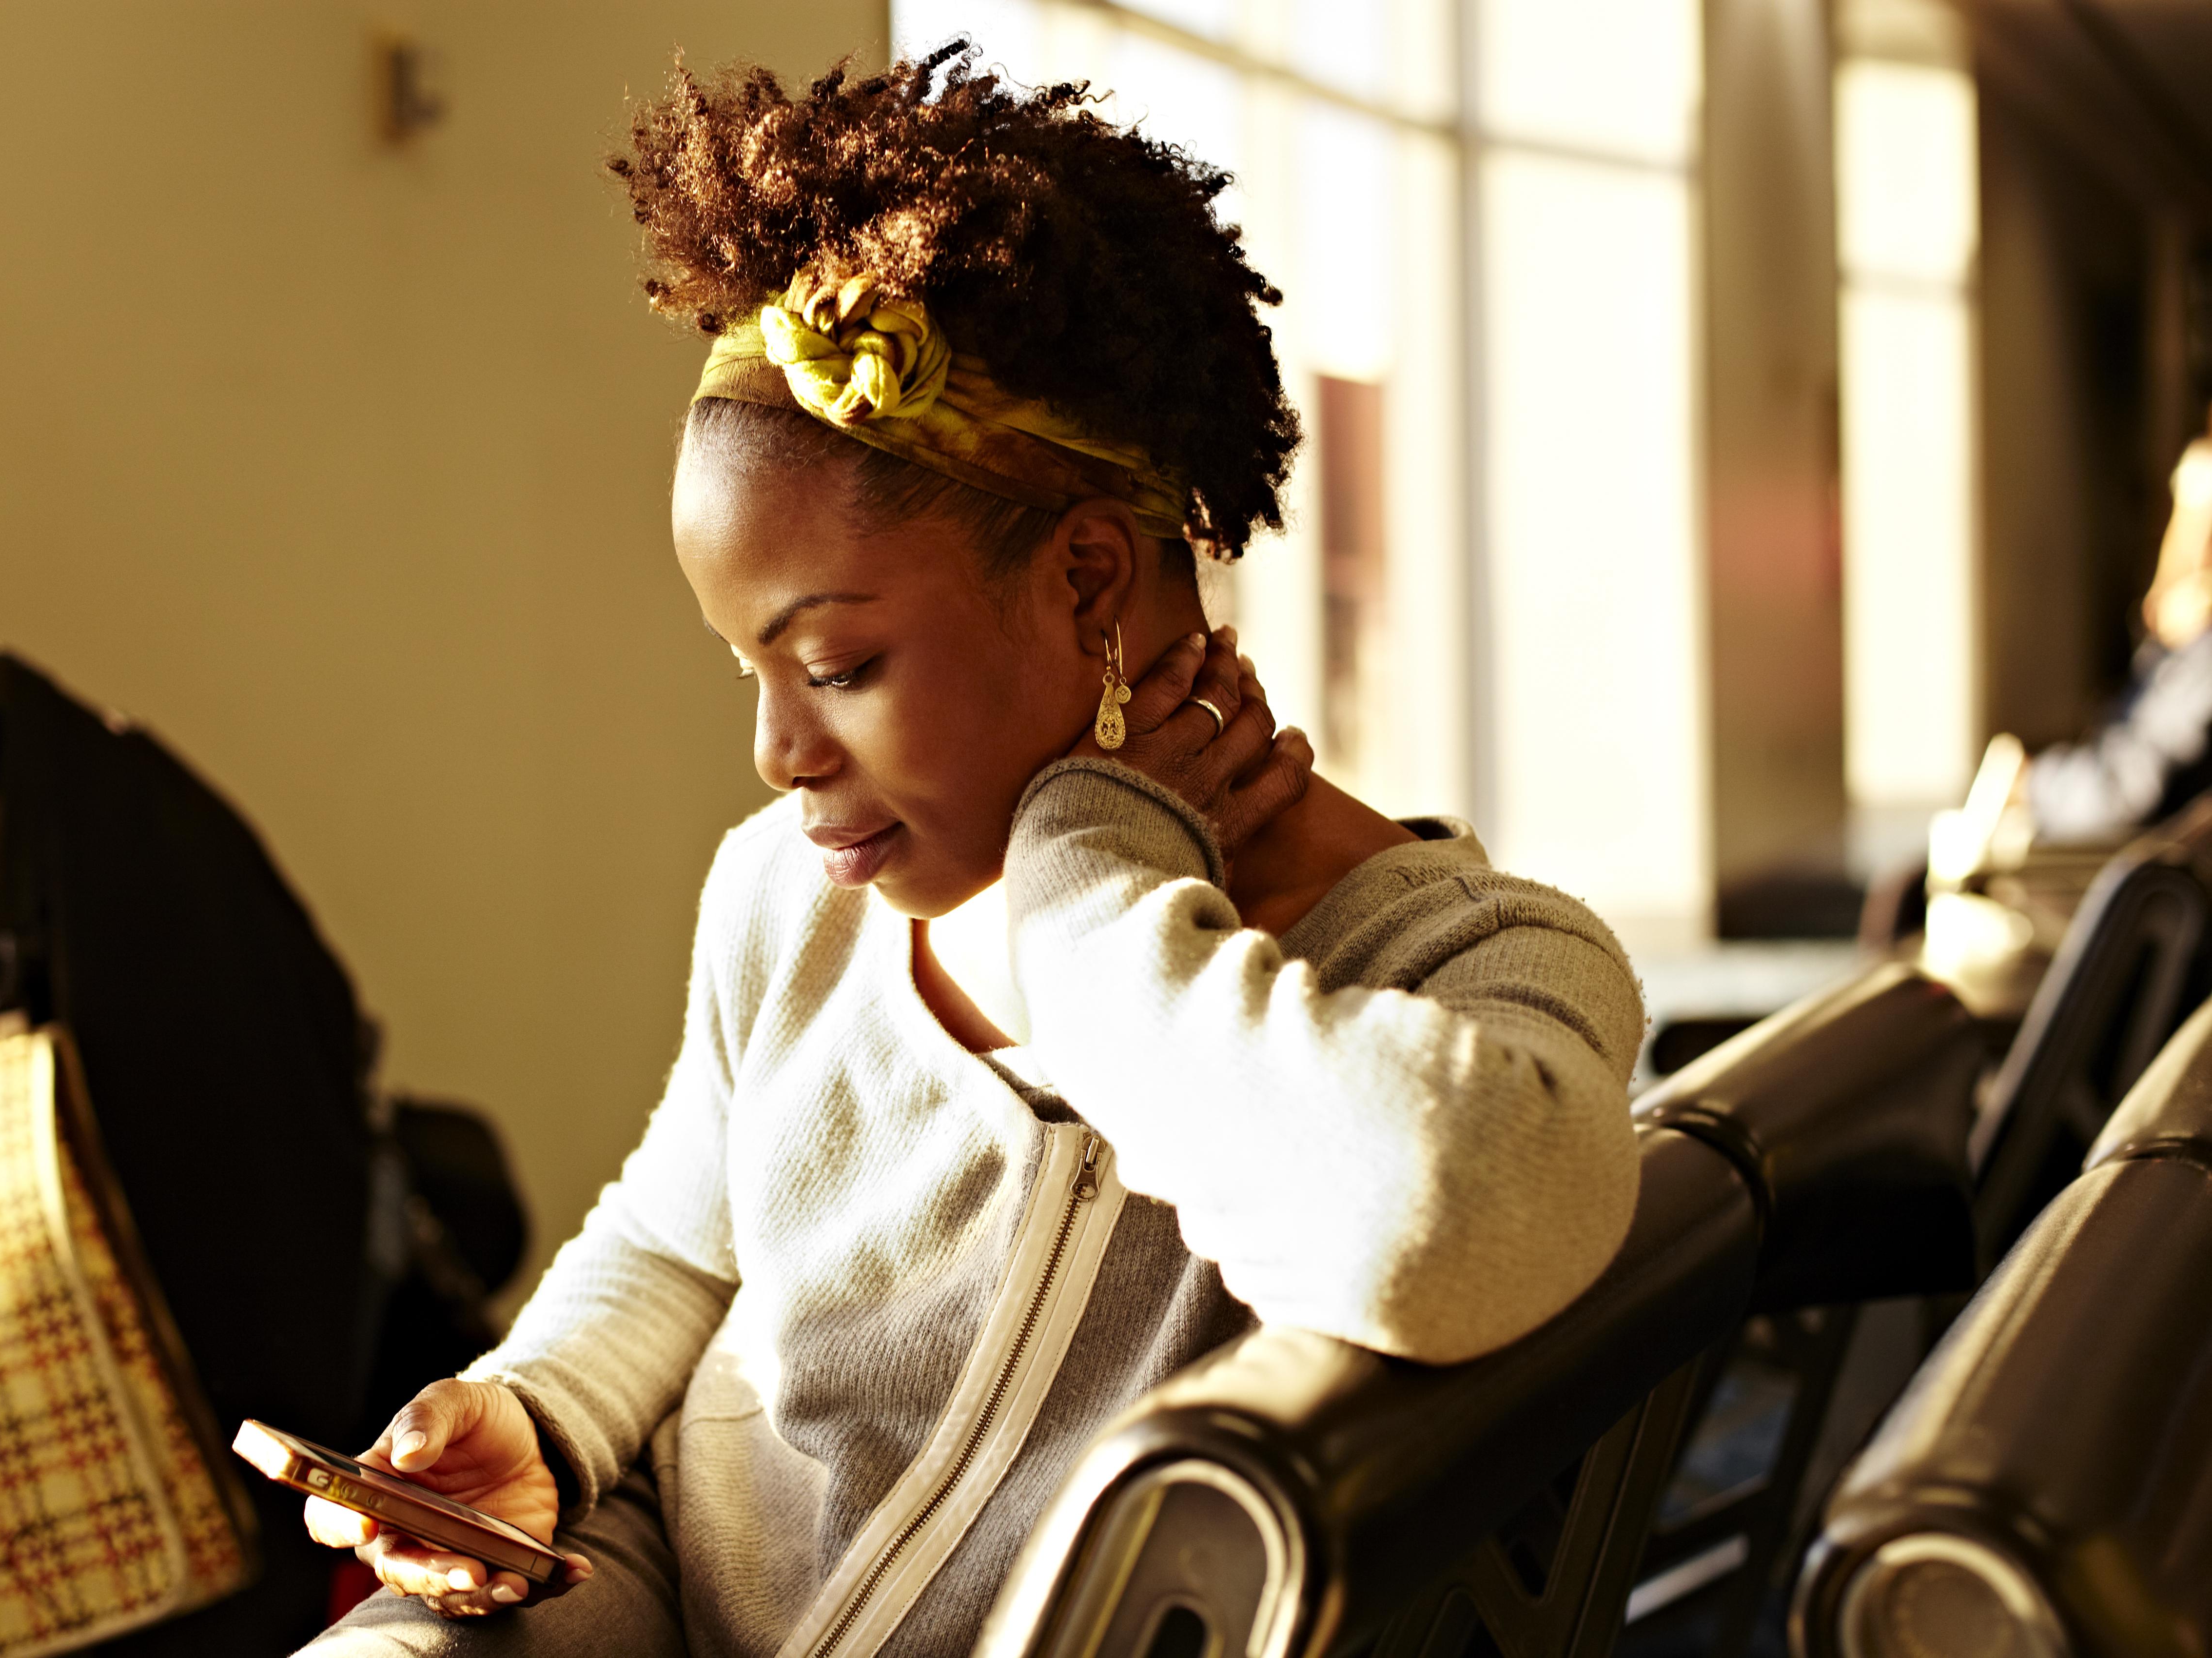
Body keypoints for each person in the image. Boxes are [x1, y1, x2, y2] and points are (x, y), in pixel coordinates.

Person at [299, 44, 1644, 1658]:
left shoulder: (1475, 965)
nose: (779, 754)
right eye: (754, 670)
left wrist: (1093, 874)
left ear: (1088, 585)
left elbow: (1424, 1232)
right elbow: (676, 1237)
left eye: (840, 666)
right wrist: (544, 1420)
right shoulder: (786, 908)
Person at [2026, 421, 2212, 843]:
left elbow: (2128, 790)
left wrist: (2035, 785)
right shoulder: (2178, 644)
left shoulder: (2202, 656)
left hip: (2146, 870)